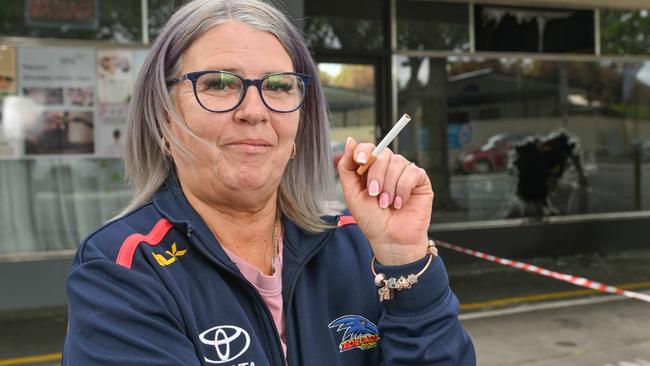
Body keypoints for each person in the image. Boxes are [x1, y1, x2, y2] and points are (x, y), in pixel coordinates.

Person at [62, 0, 476, 364]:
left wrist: (404, 258)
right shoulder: (124, 269)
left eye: (278, 86)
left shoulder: (359, 248)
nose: (254, 111)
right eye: (220, 84)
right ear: (165, 119)